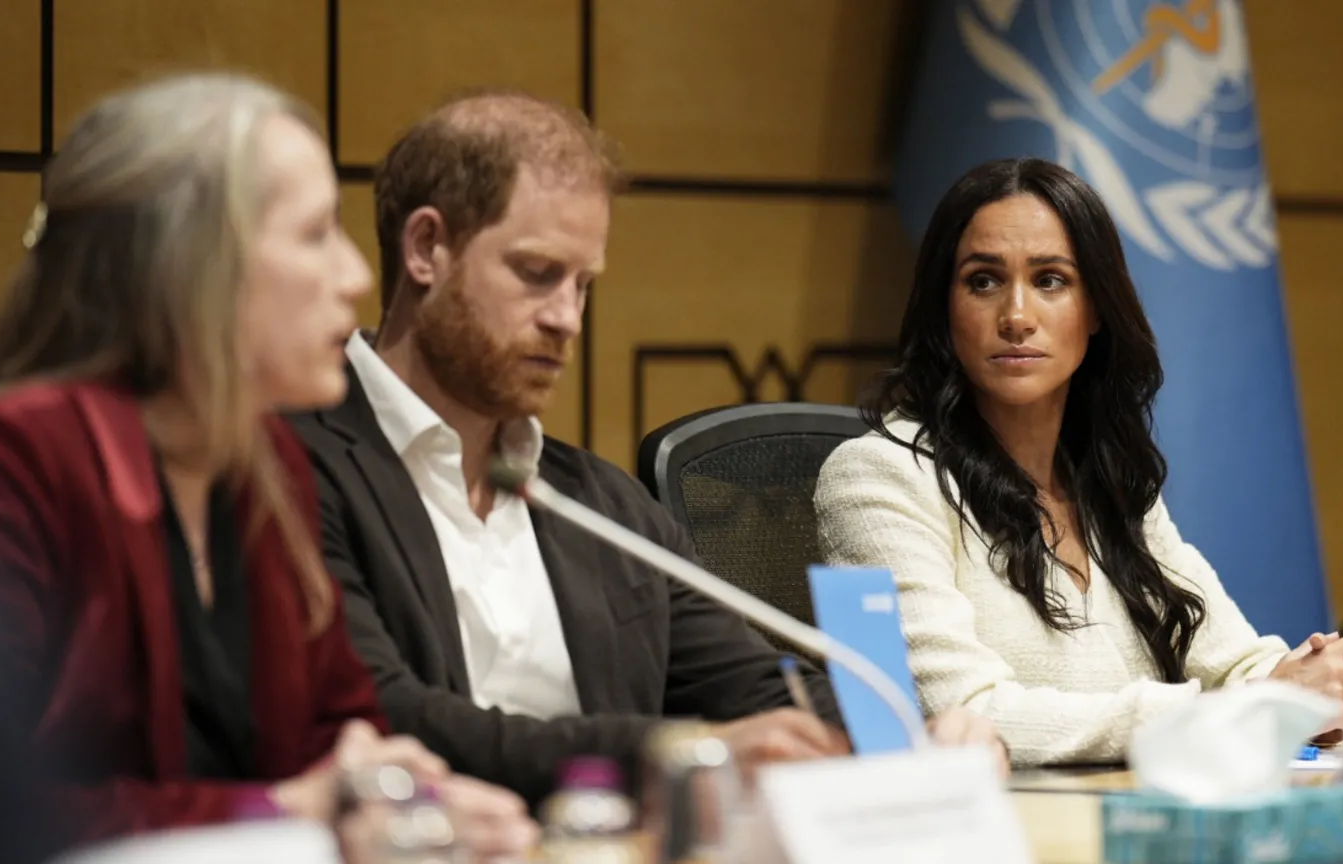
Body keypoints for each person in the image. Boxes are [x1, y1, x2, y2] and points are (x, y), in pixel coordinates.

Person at [288, 89, 1005, 806]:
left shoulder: (598, 504)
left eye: (584, 285)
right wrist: (681, 754)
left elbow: (757, 690)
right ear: (425, 249)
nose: (567, 319)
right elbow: (387, 718)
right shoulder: (291, 473)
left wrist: (911, 733)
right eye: (537, 274)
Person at [0, 73, 537, 857]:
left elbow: (338, 730)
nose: (354, 276)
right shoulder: (18, 458)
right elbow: (4, 813)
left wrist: (398, 789)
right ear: (191, 263)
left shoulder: (266, 460)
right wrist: (283, 809)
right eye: (315, 235)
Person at [814, 157, 1343, 767]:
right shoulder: (880, 478)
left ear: (1095, 312)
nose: (1015, 316)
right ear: (944, 309)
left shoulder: (1109, 483)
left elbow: (1231, 661)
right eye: (982, 281)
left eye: (1051, 280)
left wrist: (1317, 687)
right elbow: (960, 715)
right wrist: (1258, 704)